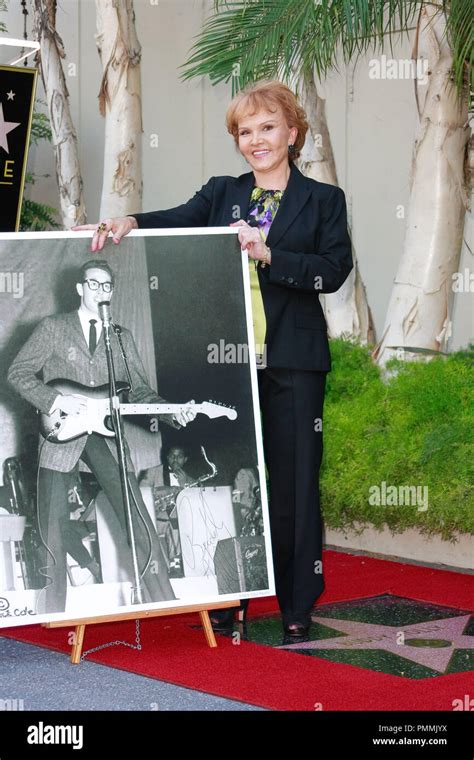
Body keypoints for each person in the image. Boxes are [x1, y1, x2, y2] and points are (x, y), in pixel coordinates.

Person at [73, 79, 353, 639]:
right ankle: (231, 595)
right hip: (227, 361)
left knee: (295, 483)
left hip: (293, 360)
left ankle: (298, 604)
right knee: (233, 478)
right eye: (245, 131)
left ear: (292, 133)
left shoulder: (324, 200)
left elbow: (334, 270)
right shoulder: (223, 191)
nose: (257, 140)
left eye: (268, 127)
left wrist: (269, 252)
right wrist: (128, 221)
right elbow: (175, 219)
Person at [7, 260, 197, 614]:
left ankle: (165, 605)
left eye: (107, 286)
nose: (101, 291)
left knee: (139, 522)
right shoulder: (53, 327)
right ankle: (52, 617)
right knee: (52, 532)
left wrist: (173, 411)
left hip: (106, 435)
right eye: (93, 284)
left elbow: (140, 392)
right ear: (80, 289)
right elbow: (18, 373)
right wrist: (55, 399)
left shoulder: (120, 338)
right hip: (59, 434)